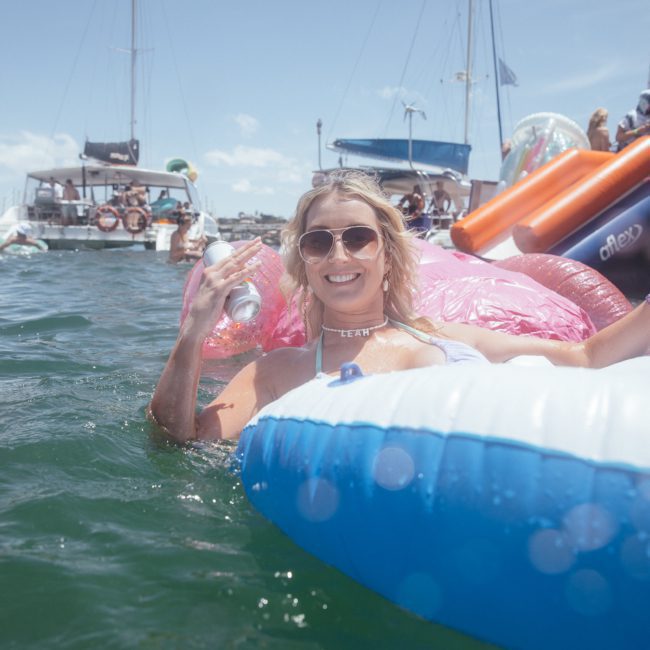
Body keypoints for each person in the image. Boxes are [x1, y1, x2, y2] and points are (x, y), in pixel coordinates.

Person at [149, 171, 650, 443]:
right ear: (304, 263)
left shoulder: (448, 336)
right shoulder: (277, 372)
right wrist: (193, 332)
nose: (339, 256)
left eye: (359, 238)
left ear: (387, 254)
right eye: (319, 242)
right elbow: (181, 442)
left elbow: (588, 357)